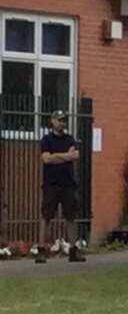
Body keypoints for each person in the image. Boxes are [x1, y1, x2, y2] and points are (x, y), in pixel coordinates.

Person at [35, 110, 86, 264]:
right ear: (52, 121)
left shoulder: (69, 139)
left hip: (68, 184)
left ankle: (73, 250)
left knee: (70, 217)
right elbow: (46, 159)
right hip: (51, 184)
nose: (62, 123)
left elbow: (75, 155)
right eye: (59, 120)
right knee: (46, 217)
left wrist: (55, 156)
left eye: (64, 120)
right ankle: (42, 250)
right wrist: (65, 156)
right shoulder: (47, 140)